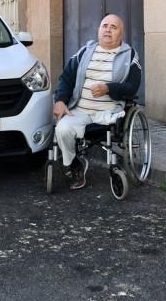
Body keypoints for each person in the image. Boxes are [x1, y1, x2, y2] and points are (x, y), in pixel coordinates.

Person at [53, 14, 141, 191]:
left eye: (113, 27)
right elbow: (67, 78)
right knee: (62, 129)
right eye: (104, 26)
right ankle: (73, 164)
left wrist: (109, 88)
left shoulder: (129, 55)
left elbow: (132, 87)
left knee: (69, 128)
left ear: (121, 34)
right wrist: (60, 100)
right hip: (80, 110)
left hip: (108, 113)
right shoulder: (85, 52)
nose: (108, 29)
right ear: (98, 30)